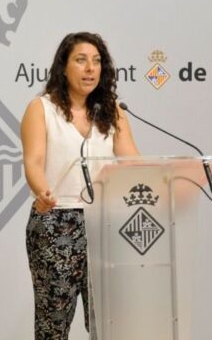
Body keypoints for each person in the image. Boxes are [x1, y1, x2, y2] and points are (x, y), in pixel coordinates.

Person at [20, 32, 139, 339]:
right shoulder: (41, 109)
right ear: (63, 67)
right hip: (56, 222)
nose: (90, 69)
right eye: (81, 60)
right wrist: (42, 192)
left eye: (97, 62)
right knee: (53, 326)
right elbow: (33, 162)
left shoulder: (113, 112)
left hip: (105, 224)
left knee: (109, 323)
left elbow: (133, 165)